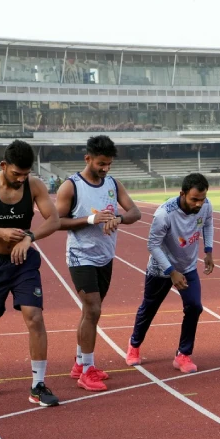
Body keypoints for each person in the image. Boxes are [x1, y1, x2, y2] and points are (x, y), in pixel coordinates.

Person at [0, 140, 62, 406]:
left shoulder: (34, 185)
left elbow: (54, 219)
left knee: (35, 316)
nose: (21, 179)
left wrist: (29, 237)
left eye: (26, 174)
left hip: (23, 262)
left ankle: (38, 384)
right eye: (16, 173)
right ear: (3, 166)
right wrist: (0, 233)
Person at [56, 136, 140, 392]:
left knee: (89, 312)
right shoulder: (71, 186)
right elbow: (57, 222)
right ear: (88, 159)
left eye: (109, 164)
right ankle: (87, 370)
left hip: (105, 256)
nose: (105, 169)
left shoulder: (113, 184)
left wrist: (119, 219)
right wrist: (90, 219)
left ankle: (79, 363)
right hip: (81, 256)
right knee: (93, 310)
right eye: (101, 163)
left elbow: (135, 212)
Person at [130, 173, 214, 374]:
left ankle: (183, 354)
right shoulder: (164, 214)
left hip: (188, 266)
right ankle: (134, 345)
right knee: (149, 308)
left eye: (201, 199)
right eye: (194, 199)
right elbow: (153, 245)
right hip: (160, 269)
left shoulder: (206, 205)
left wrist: (208, 251)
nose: (198, 204)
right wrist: (171, 271)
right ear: (182, 194)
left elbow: (208, 224)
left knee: (194, 307)